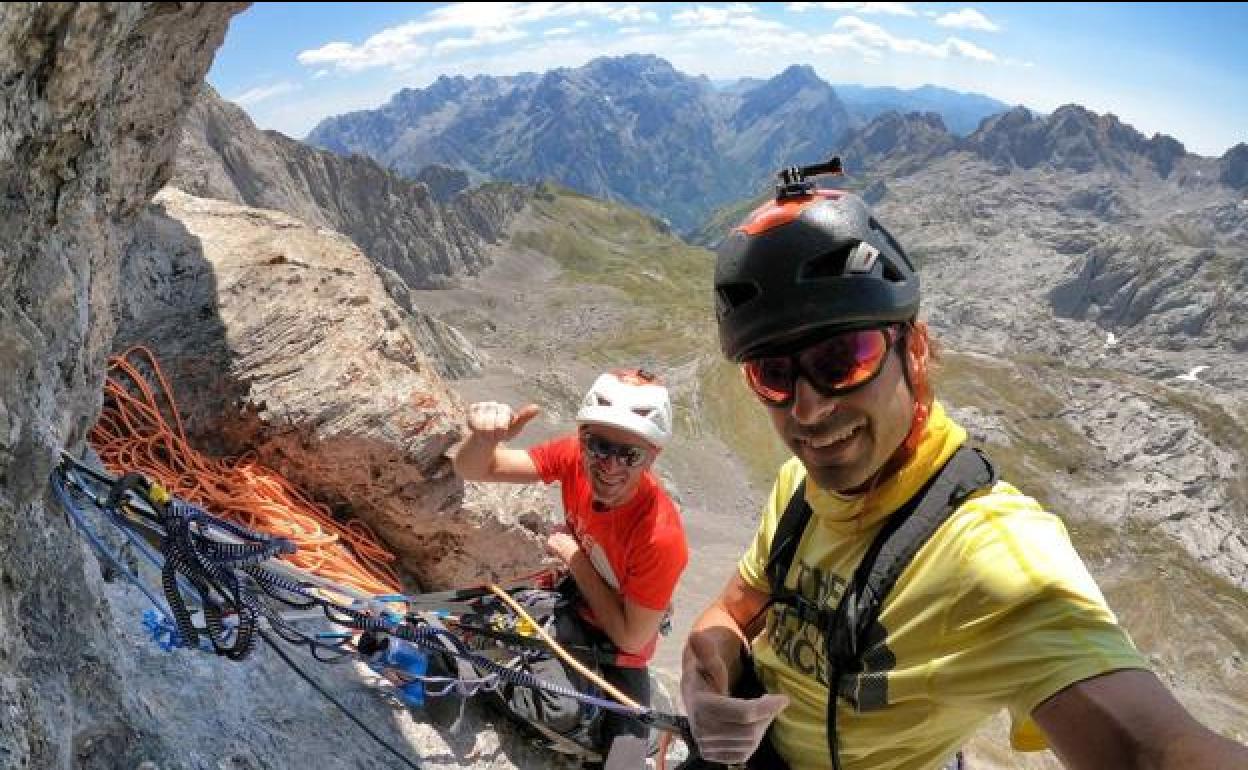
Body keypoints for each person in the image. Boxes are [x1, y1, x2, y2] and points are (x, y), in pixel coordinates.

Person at [679, 168, 1248, 770]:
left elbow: (1149, 750)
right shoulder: (799, 490)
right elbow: (736, 610)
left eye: (843, 358)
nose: (808, 407)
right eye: (772, 374)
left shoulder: (990, 554)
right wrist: (702, 675)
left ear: (915, 350)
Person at [453, 368, 690, 767]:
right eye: (598, 445)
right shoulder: (573, 457)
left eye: (629, 455)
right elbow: (475, 469)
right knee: (558, 708)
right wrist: (483, 440)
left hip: (617, 644)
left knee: (620, 757)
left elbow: (631, 641)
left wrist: (573, 557)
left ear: (652, 456)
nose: (610, 465)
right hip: (573, 603)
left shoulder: (659, 537)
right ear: (582, 438)